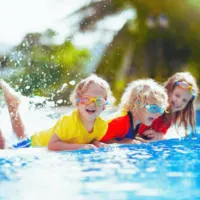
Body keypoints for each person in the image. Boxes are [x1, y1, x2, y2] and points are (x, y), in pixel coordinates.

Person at [0, 74, 115, 150]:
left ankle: (13, 105)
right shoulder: (69, 121)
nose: (92, 104)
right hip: (35, 142)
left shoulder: (102, 126)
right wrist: (83, 146)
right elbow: (52, 145)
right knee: (5, 150)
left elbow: (90, 139)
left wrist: (96, 143)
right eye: (86, 99)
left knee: (21, 135)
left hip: (40, 142)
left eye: (99, 101)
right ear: (78, 101)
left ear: (105, 105)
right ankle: (12, 105)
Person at [100, 79, 168, 144]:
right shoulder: (120, 122)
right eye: (153, 108)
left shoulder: (138, 122)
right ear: (137, 103)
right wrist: (121, 142)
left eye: (160, 110)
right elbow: (98, 141)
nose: (157, 114)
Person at [138, 72, 199, 141]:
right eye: (177, 95)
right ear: (168, 91)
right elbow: (138, 131)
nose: (179, 102)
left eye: (184, 100)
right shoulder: (155, 109)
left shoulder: (173, 116)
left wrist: (160, 136)